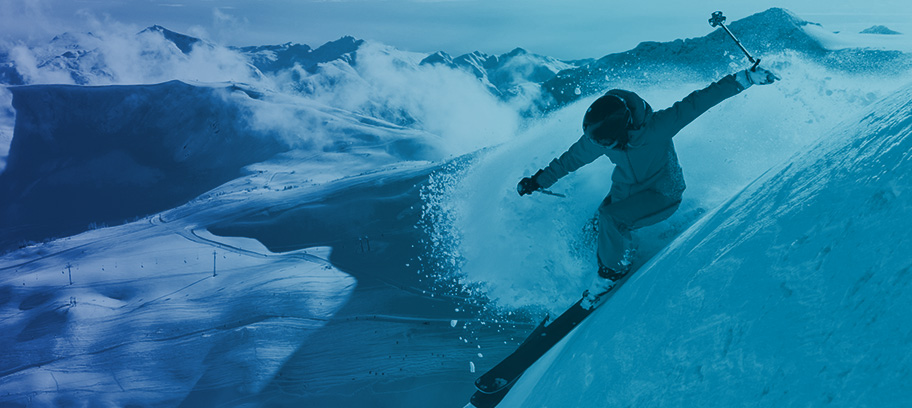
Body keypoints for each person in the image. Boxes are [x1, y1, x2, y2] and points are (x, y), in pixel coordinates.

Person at [517, 67, 780, 309]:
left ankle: (612, 273)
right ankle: (615, 256)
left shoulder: (657, 128)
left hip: (662, 193)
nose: (603, 146)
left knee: (612, 219)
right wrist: (538, 180)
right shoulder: (600, 138)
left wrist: (744, 79)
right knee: (595, 227)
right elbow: (570, 160)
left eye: (607, 141)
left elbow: (699, 101)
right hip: (627, 191)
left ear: (623, 128)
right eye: (598, 141)